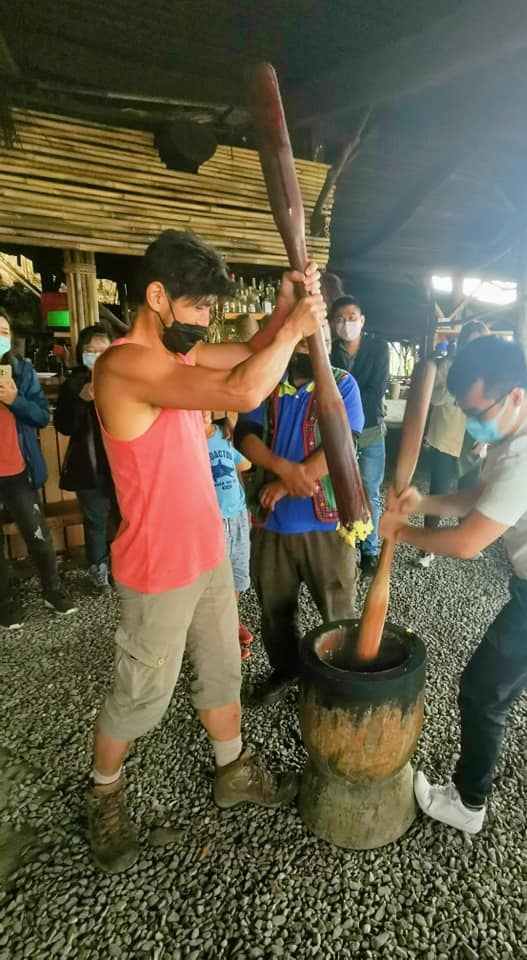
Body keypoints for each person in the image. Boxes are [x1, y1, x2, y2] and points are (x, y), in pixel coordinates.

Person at [88, 229, 326, 873]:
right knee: (140, 694)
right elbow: (243, 392)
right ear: (157, 297)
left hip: (207, 551)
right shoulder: (123, 366)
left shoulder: (179, 356)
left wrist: (283, 309)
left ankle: (233, 770)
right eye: (196, 309)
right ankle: (103, 794)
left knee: (222, 669)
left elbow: (249, 351)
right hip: (157, 566)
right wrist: (297, 328)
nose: (203, 323)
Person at [380, 336, 527, 835]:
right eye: (463, 409)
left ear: (512, 395)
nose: (469, 422)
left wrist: (400, 532)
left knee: (483, 690)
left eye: (475, 409)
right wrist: (421, 503)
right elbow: (478, 497)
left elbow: (468, 543)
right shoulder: (514, 432)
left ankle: (468, 804)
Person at [236, 323, 363, 705]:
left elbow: (346, 442)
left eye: (325, 341)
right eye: (312, 342)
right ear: (294, 344)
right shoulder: (268, 382)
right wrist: (284, 470)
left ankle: (341, 678)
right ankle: (286, 671)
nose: (320, 349)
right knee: (274, 609)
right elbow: (245, 433)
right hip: (271, 521)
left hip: (324, 522)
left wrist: (291, 479)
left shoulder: (343, 384)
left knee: (337, 607)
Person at [0, 308, 77, 628]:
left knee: (37, 534)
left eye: (3, 331)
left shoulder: (20, 371)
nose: (0, 337)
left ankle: (53, 589)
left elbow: (41, 416)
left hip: (17, 469)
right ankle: (5, 602)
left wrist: (15, 398)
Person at [417, 321, 489, 569]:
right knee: (439, 493)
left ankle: (467, 541)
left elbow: (493, 409)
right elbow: (434, 398)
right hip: (446, 439)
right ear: (463, 342)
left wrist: (486, 437)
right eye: (471, 341)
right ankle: (427, 547)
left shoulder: (489, 373)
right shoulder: (446, 367)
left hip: (474, 441)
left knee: (470, 493)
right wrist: (456, 386)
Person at [54, 323, 117, 589]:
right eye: (90, 350)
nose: (95, 355)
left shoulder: (123, 379)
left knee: (124, 518)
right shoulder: (74, 384)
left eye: (102, 350)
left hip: (122, 465)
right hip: (88, 467)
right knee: (95, 521)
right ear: (82, 353)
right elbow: (63, 426)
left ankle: (123, 567)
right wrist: (81, 400)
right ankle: (98, 569)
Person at [330, 295, 389, 575]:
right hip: (338, 435)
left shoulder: (378, 348)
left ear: (362, 320)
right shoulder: (328, 351)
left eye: (352, 318)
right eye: (340, 319)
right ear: (332, 323)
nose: (347, 324)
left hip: (370, 432)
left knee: (370, 491)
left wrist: (342, 405)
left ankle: (370, 550)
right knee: (336, 488)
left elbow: (376, 390)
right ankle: (342, 544)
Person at [203, 410, 254, 659]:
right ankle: (218, 636)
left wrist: (234, 429)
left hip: (237, 515)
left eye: (205, 407)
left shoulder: (223, 434)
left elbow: (245, 464)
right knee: (215, 580)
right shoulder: (188, 441)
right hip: (211, 520)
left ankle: (231, 620)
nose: (201, 413)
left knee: (237, 574)